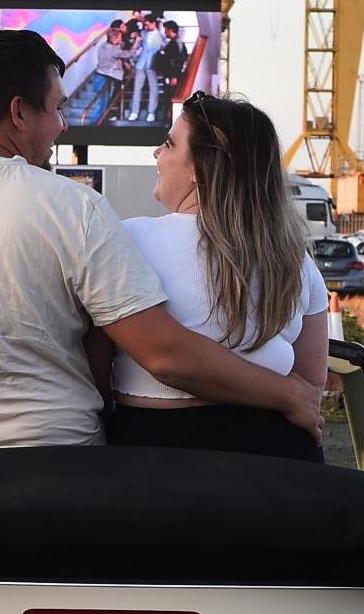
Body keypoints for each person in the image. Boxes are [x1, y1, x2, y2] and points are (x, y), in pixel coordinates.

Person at [0, 30, 322, 459]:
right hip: (51, 478)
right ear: (18, 113)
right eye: (59, 108)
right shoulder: (75, 209)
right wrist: (288, 394)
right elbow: (161, 355)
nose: (64, 125)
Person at [106, 92, 327, 462]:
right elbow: (311, 382)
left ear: (198, 168)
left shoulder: (130, 239)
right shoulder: (293, 259)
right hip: (278, 459)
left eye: (169, 144)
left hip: (155, 456)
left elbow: (96, 368)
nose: (156, 154)